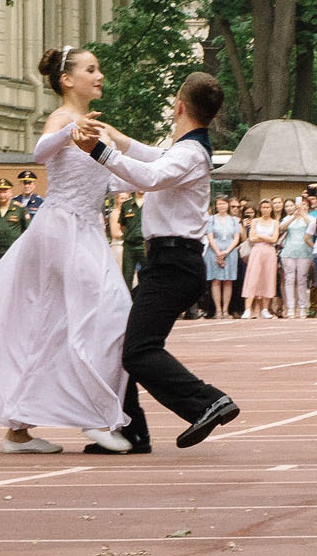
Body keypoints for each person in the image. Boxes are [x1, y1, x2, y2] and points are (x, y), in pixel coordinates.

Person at [0, 47, 136, 454]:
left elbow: (114, 178)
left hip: (88, 229)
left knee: (56, 325)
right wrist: (67, 134)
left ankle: (18, 429)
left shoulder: (99, 128)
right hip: (61, 228)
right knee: (105, 311)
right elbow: (40, 152)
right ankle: (95, 417)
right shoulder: (64, 119)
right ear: (67, 80)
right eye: (91, 69)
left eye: (98, 68)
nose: (100, 75)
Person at [79, 67, 240, 450]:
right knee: (127, 344)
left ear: (178, 106)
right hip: (169, 263)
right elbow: (154, 159)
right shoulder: (188, 150)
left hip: (174, 265)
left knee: (138, 349)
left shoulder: (190, 154)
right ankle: (132, 431)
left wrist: (101, 151)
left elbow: (151, 175)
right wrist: (119, 141)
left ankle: (206, 401)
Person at [203, 197, 240, 318]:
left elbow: (236, 238)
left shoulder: (234, 220)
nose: (221, 206)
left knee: (228, 280)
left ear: (228, 205)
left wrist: (226, 251)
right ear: (216, 205)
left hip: (230, 251)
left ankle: (226, 310)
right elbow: (210, 236)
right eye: (219, 204)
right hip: (214, 250)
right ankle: (218, 310)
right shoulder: (211, 219)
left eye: (224, 203)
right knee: (216, 281)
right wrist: (218, 252)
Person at [242, 200, 279, 319]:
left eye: (268, 207)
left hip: (269, 252)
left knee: (268, 278)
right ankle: (247, 309)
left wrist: (261, 236)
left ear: (271, 209)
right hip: (256, 251)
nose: (265, 209)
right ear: (260, 209)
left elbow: (274, 240)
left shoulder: (275, 222)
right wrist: (266, 238)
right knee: (252, 278)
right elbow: (252, 238)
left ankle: (265, 309)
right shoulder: (255, 221)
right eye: (263, 207)